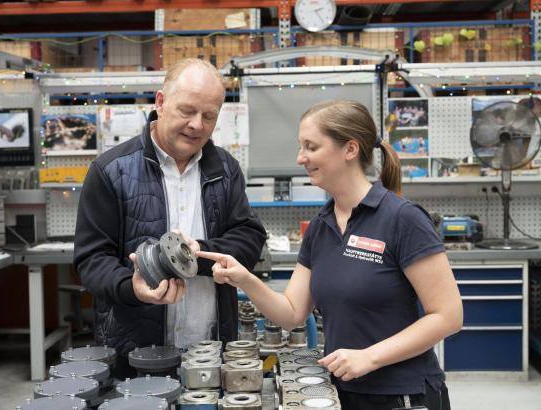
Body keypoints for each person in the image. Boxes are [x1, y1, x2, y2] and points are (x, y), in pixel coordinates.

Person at [198, 100, 462, 410]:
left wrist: (369, 357)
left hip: (403, 395)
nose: (300, 158)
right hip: (340, 392)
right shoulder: (321, 227)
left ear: (350, 149)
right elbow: (293, 312)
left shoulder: (402, 219)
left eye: (311, 147)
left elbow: (448, 315)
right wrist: (245, 278)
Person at [73, 58, 266, 379]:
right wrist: (131, 289)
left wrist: (195, 255)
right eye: (187, 111)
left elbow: (249, 238)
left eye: (209, 116)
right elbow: (91, 260)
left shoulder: (226, 170)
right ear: (161, 103)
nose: (197, 125)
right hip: (134, 353)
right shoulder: (110, 171)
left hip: (211, 350)